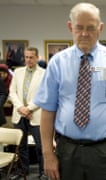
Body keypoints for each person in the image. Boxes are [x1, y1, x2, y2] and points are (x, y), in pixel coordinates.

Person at [33, 2, 106, 180]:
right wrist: (48, 154)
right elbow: (47, 111)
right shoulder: (57, 63)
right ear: (70, 27)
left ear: (100, 28)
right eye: (79, 27)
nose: (84, 33)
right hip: (68, 152)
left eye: (91, 28)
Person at [8, 47, 46, 179]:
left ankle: (43, 172)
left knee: (40, 146)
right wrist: (21, 108)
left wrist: (29, 108)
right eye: (26, 57)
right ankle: (23, 170)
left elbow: (44, 95)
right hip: (19, 114)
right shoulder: (17, 72)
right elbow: (12, 92)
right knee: (21, 146)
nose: (28, 60)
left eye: (31, 57)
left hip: (35, 114)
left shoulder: (44, 73)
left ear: (37, 58)